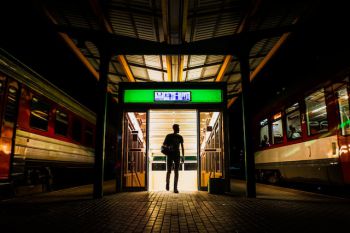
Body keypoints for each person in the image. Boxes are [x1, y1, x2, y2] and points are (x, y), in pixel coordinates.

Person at [162, 124, 184, 193]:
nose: (179, 129)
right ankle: (167, 183)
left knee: (176, 172)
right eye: (178, 128)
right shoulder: (168, 136)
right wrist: (169, 147)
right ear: (175, 128)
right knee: (169, 171)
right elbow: (164, 145)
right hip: (170, 154)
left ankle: (175, 188)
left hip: (177, 155)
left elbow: (182, 147)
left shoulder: (180, 137)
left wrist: (183, 156)